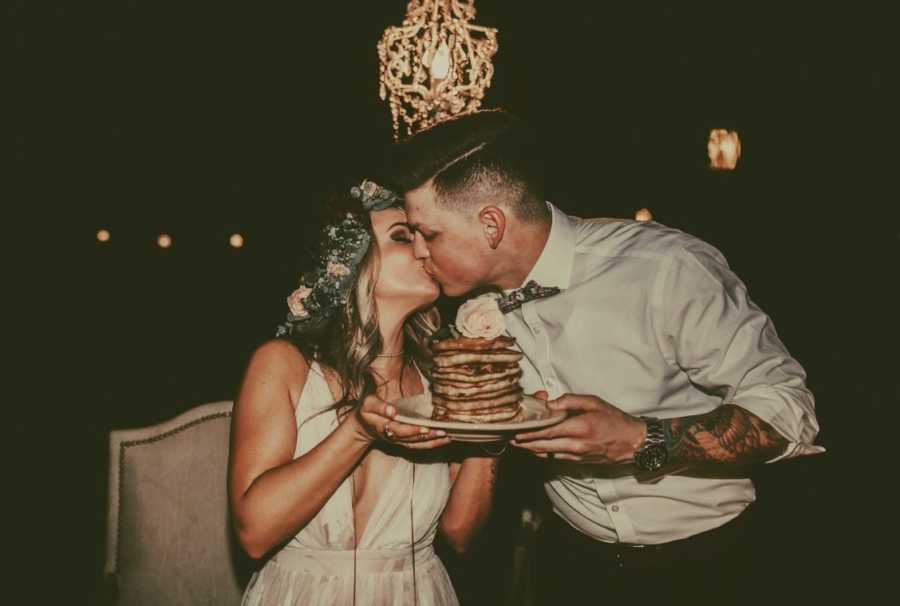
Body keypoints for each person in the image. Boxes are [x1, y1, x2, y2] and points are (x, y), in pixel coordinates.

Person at [386, 110, 824, 602]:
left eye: (429, 234)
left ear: (491, 224)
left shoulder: (663, 269)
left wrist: (641, 437)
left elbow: (789, 412)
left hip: (710, 561)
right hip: (572, 560)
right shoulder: (473, 313)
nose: (419, 252)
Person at [228, 180, 497, 606]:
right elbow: (254, 535)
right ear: (352, 262)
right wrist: (358, 430)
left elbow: (460, 534)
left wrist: (492, 425)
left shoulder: (441, 379)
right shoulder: (284, 365)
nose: (425, 249)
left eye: (425, 236)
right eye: (403, 236)